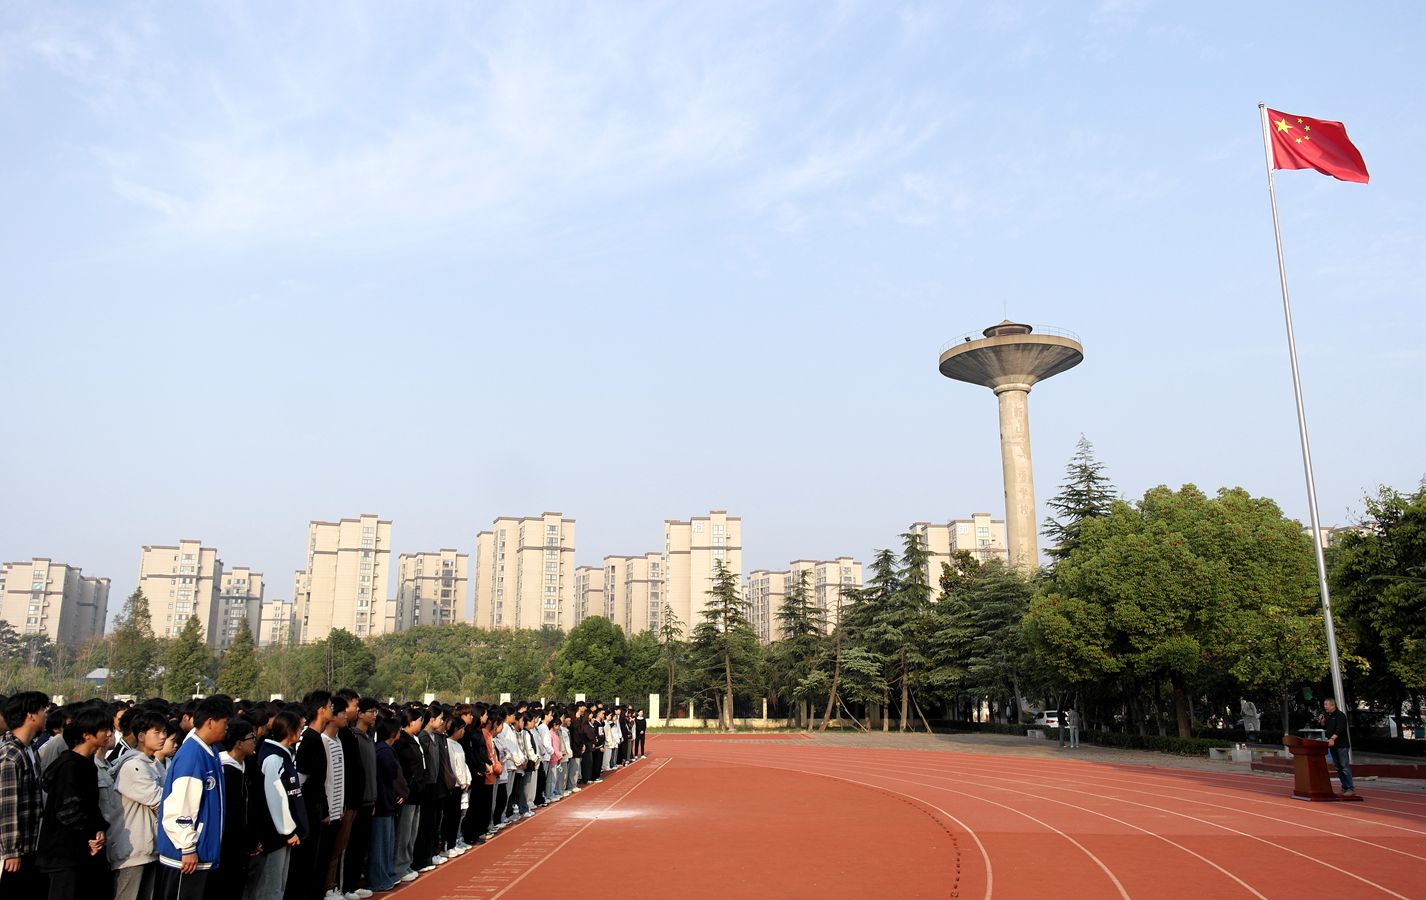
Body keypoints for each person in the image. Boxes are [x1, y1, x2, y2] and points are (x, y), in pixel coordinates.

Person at [156, 694, 234, 900]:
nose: (227, 728)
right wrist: (188, 847)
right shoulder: (192, 755)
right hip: (185, 858)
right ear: (210, 722)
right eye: (225, 722)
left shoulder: (210, 751)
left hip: (203, 854)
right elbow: (180, 807)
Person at [37, 703, 112, 897]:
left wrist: (98, 829)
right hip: (64, 852)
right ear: (87, 735)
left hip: (80, 851)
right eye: (104, 729)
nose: (109, 734)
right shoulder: (70, 765)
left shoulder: (86, 763)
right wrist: (91, 833)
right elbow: (68, 810)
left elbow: (90, 806)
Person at [109, 707, 169, 900]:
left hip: (149, 847)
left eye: (164, 732)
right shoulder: (132, 766)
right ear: (141, 736)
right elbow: (160, 799)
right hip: (132, 851)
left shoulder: (153, 763)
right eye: (157, 732)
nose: (163, 737)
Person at [250, 710, 306, 900]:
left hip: (282, 832)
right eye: (299, 728)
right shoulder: (274, 759)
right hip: (274, 833)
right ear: (290, 731)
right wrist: (287, 830)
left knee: (279, 883)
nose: (301, 732)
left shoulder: (283, 755)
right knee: (271, 885)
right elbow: (275, 797)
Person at [0, 691, 50, 895]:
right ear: (31, 715)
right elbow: (7, 805)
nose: (45, 715)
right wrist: (11, 851)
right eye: (42, 710)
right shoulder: (11, 754)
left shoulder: (29, 750)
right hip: (16, 853)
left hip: (31, 846)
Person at [215, 720, 261, 900]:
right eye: (251, 738)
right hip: (228, 844)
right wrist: (248, 840)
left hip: (240, 843)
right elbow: (233, 814)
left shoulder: (243, 765)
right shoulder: (227, 771)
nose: (254, 741)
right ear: (239, 743)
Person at [367, 719, 407, 893]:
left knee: (387, 842)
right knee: (381, 843)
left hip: (386, 801)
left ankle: (387, 874)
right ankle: (379, 879)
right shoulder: (385, 752)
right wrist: (401, 792)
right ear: (392, 733)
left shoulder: (383, 749)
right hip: (383, 802)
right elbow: (393, 775)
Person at [391, 709, 425, 883]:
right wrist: (403, 790)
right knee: (403, 832)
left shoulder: (414, 740)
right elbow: (401, 769)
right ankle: (399, 866)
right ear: (411, 722)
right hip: (407, 793)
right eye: (419, 720)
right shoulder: (401, 742)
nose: (421, 724)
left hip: (417, 792)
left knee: (412, 831)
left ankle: (407, 863)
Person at [1320, 698, 1355, 796]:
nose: (1325, 707)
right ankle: (1344, 786)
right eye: (1324, 705)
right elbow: (1326, 728)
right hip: (1332, 745)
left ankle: (1350, 787)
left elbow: (1339, 729)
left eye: (1326, 705)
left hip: (1341, 745)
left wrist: (1332, 738)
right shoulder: (1327, 715)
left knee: (1344, 766)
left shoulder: (1340, 716)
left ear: (1332, 705)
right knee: (1338, 767)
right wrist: (1322, 722)